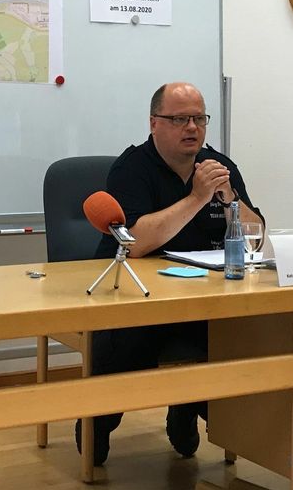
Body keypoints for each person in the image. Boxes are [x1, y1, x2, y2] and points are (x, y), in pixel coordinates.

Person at [80, 82, 264, 466]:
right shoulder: (131, 168)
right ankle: (98, 421)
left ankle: (190, 404)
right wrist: (197, 198)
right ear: (154, 123)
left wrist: (229, 198)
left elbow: (257, 237)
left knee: (241, 338)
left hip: (202, 298)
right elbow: (135, 242)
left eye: (199, 118)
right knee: (127, 349)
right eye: (180, 119)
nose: (192, 128)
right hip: (137, 299)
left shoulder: (220, 167)